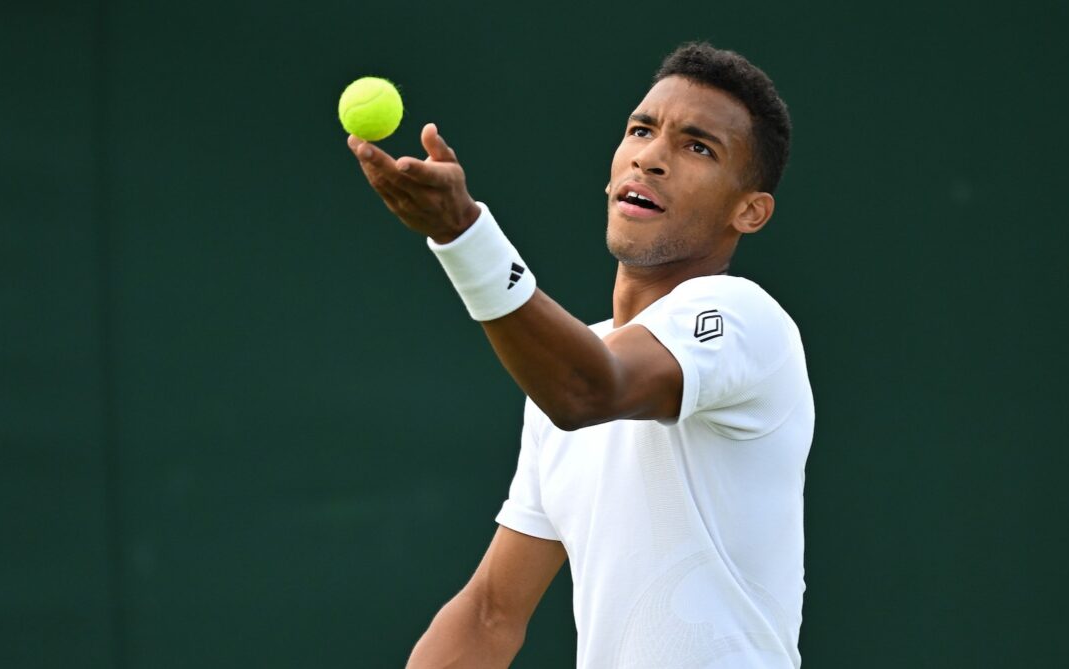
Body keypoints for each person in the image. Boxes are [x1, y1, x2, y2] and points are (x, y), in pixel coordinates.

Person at [347, 42, 813, 669]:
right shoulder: (559, 385)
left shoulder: (743, 319)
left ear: (748, 212)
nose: (651, 158)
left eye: (697, 147)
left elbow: (588, 390)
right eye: (641, 131)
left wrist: (464, 235)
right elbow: (490, 613)